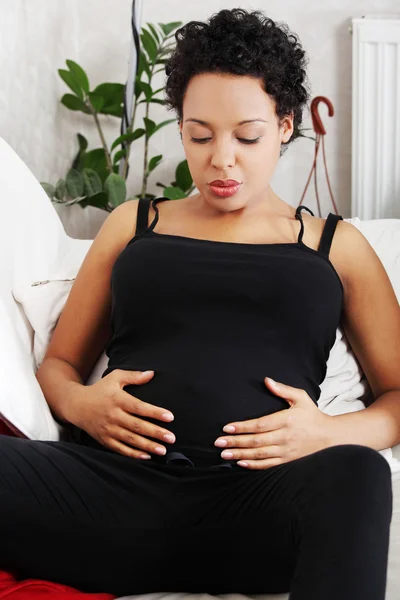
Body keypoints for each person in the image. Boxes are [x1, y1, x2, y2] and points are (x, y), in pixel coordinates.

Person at [1, 7, 398, 600]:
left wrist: (325, 431)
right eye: (200, 134)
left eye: (248, 135)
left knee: (359, 473)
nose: (222, 159)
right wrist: (83, 406)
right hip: (113, 497)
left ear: (285, 125)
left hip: (256, 508)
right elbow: (57, 367)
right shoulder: (131, 225)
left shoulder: (337, 247)